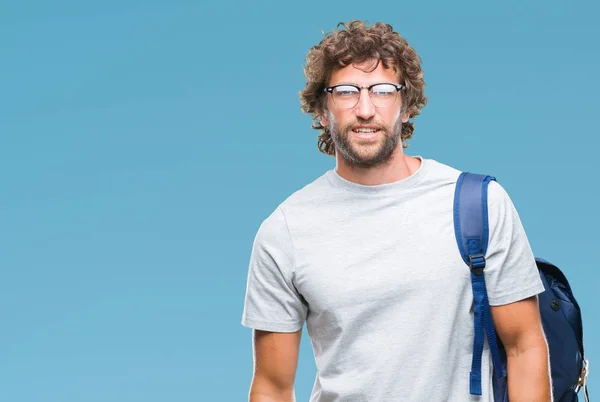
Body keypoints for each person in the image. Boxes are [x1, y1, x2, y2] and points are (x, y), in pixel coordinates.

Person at [241, 20, 551, 402]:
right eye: (346, 92)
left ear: (406, 107)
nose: (365, 109)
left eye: (383, 91)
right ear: (323, 110)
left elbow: (525, 346)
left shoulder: (479, 204)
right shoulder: (285, 231)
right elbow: (272, 386)